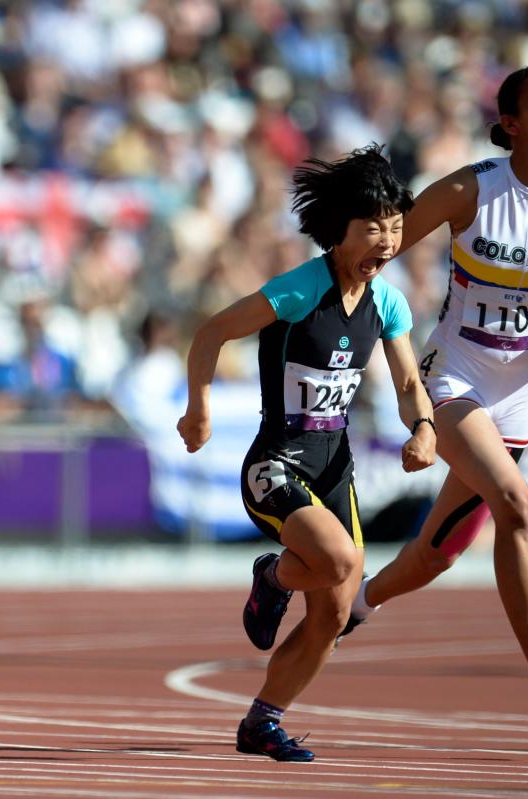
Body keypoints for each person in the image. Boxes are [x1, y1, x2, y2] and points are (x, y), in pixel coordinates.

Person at [337, 66, 528, 728]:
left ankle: (351, 605)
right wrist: (346, 301)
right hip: (454, 376)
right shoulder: (471, 190)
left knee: (440, 551)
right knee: (516, 504)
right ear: (511, 123)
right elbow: (388, 241)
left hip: (522, 393)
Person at [177, 145, 437, 762]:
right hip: (277, 465)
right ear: (340, 230)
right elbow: (211, 331)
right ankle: (270, 575)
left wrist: (423, 427)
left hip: (335, 468)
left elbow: (406, 382)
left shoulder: (388, 303)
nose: (386, 240)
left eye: (395, 227)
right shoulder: (299, 290)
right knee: (340, 559)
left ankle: (262, 720)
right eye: (372, 227)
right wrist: (199, 408)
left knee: (338, 612)